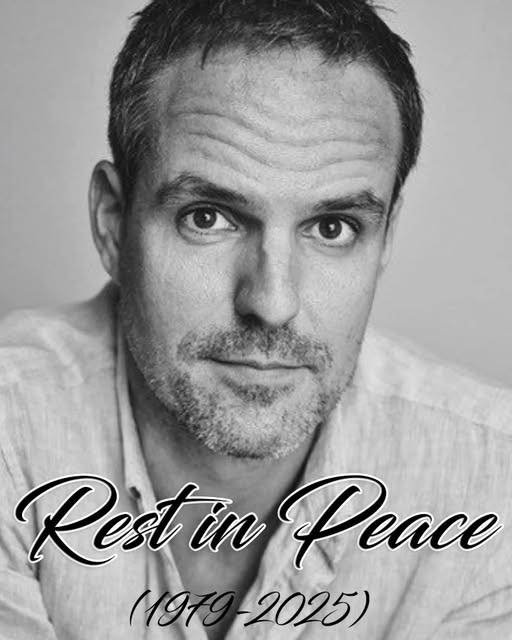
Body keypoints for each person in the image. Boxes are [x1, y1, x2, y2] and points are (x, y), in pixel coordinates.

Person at [0, 1, 511, 638]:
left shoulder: (491, 479)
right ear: (112, 224)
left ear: (386, 239)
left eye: (333, 227)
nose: (271, 302)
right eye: (208, 218)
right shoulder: (11, 438)